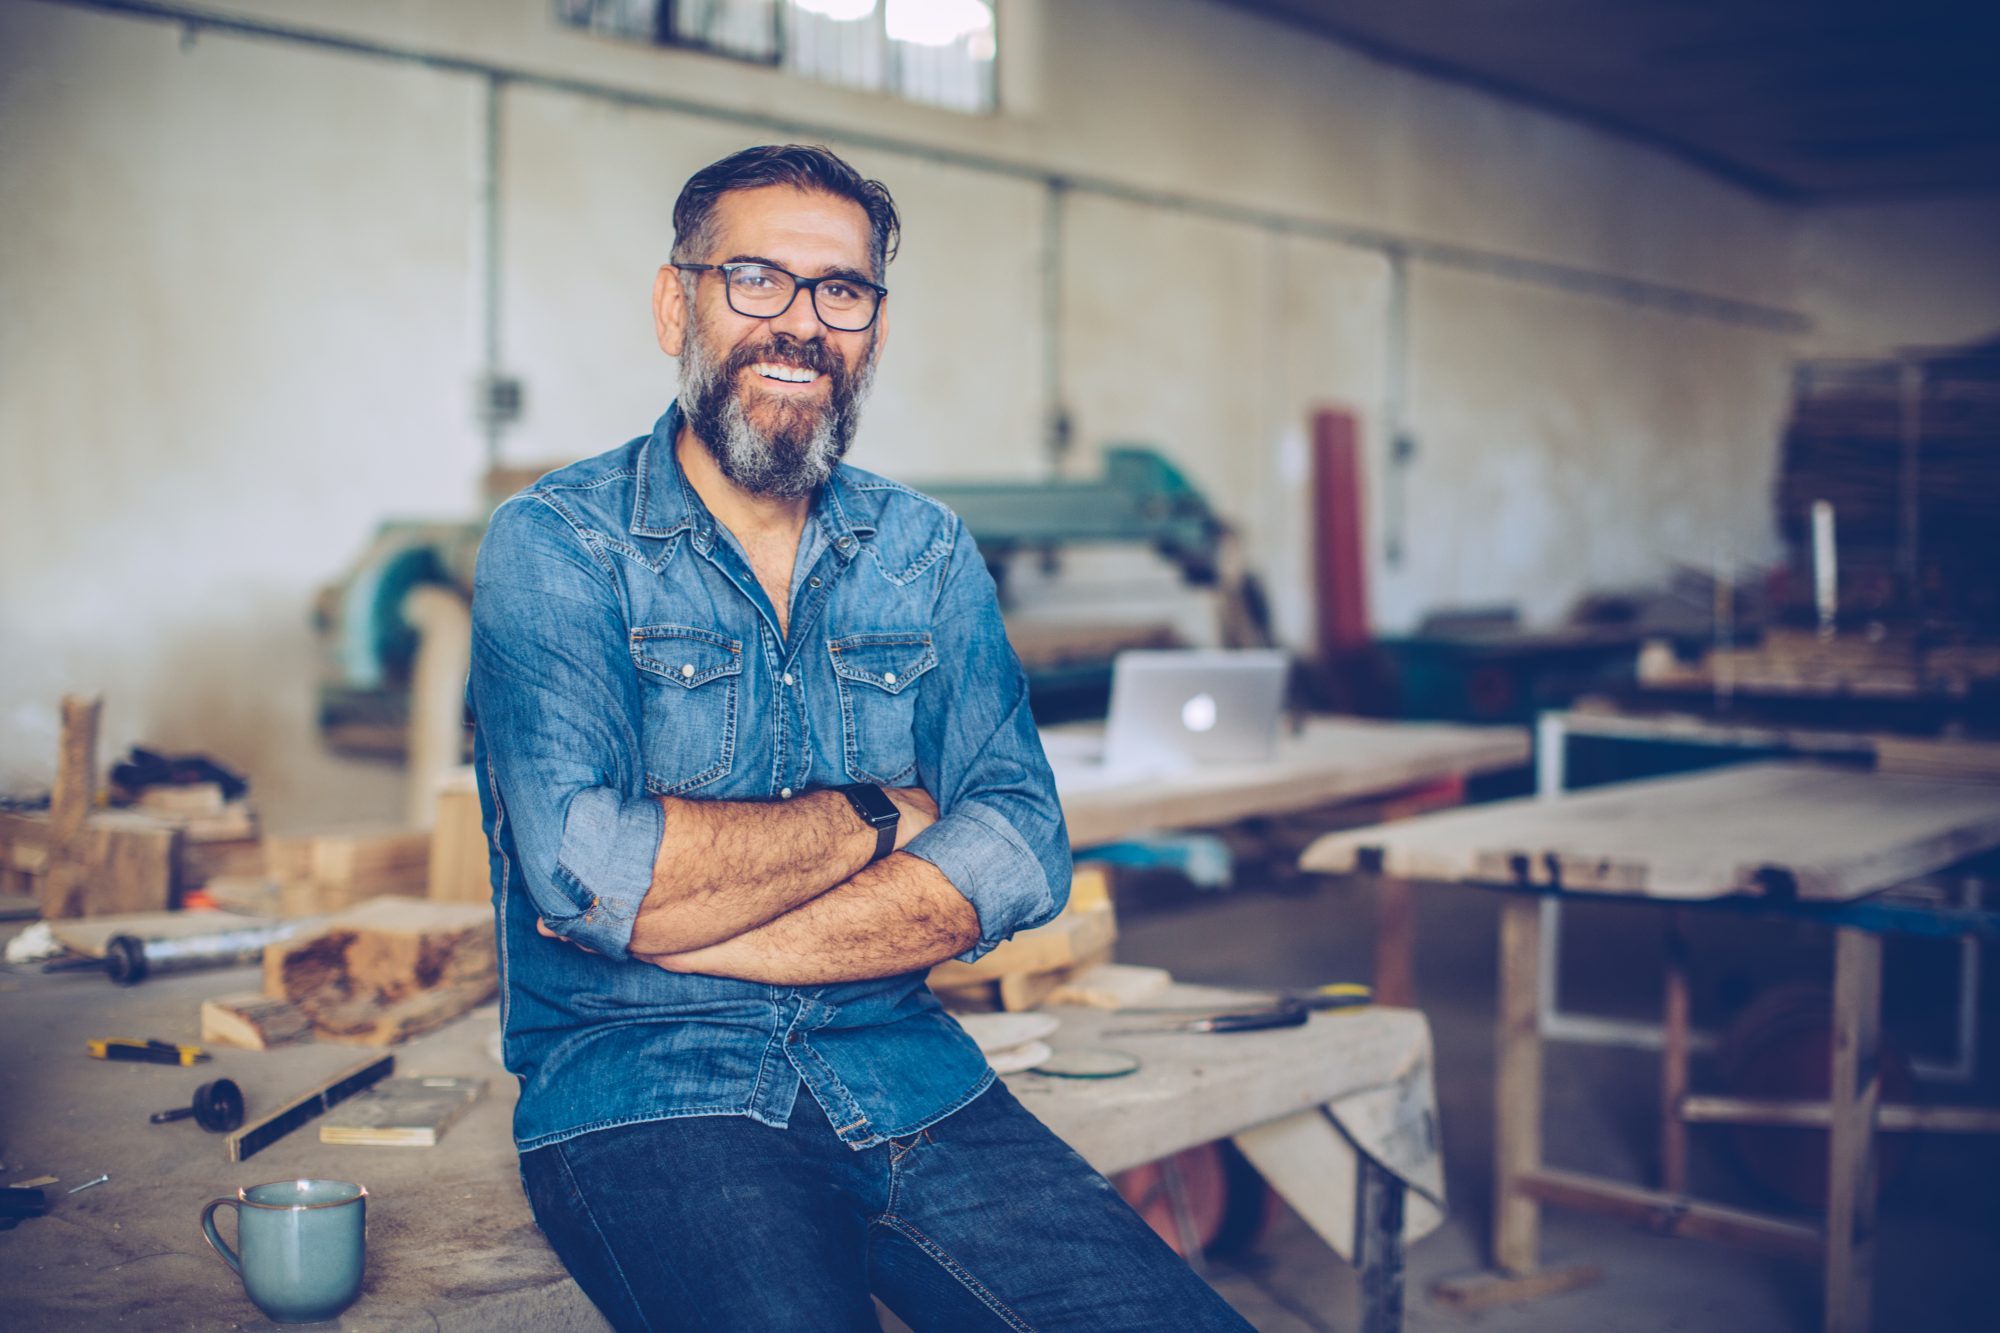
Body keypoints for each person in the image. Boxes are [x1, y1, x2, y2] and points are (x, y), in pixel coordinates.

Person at [469, 143, 1253, 1332]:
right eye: (755, 278)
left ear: (872, 330)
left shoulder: (922, 550)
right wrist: (877, 815)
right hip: (644, 1088)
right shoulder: (558, 544)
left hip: (907, 1071)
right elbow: (589, 869)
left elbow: (1020, 844)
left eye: (839, 289)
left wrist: (679, 927)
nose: (799, 323)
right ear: (676, 303)